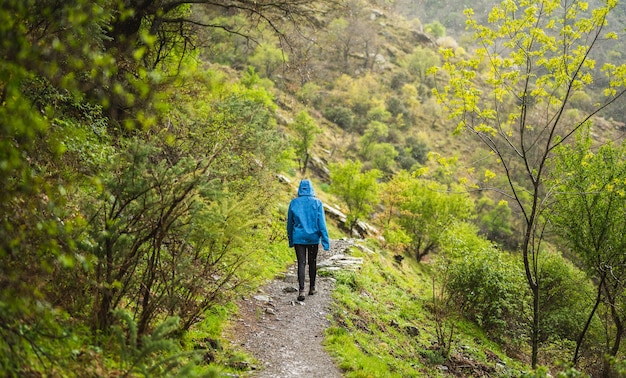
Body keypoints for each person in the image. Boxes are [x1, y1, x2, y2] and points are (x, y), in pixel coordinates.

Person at [287, 179, 330, 301]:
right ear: (312, 188)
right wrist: (325, 242)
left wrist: (291, 240)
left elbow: (290, 224)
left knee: (301, 263)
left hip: (298, 238)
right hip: (313, 238)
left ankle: (301, 290)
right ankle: (312, 287)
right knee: (312, 262)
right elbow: (321, 223)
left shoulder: (294, 203)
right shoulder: (317, 203)